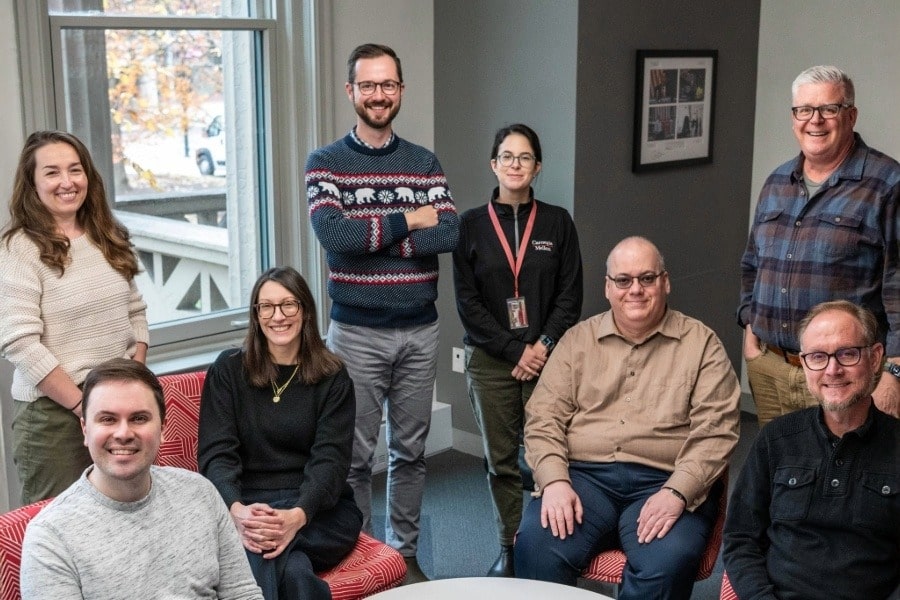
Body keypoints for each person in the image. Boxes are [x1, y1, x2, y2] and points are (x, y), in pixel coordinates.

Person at [305, 43, 459, 583]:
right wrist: (407, 219)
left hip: (420, 329)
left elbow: (449, 231)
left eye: (388, 85)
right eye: (367, 85)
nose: (378, 94)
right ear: (351, 91)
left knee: (410, 454)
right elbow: (335, 237)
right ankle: (361, 554)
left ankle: (406, 554)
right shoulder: (325, 163)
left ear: (400, 91)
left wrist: (377, 233)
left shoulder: (423, 162)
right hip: (356, 334)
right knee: (352, 458)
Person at [515, 236, 741, 599]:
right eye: (623, 280)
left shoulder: (702, 344)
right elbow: (543, 419)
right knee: (537, 549)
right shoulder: (577, 341)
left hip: (665, 481)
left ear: (664, 282)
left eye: (647, 278)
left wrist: (677, 492)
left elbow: (717, 432)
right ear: (608, 287)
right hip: (584, 479)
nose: (635, 289)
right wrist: (554, 481)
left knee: (665, 563)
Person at [452, 123, 583, 577]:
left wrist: (542, 346)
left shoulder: (557, 222)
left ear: (537, 167)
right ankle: (510, 545)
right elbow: (467, 304)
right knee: (502, 460)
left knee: (549, 453)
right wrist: (514, 350)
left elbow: (570, 294)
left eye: (524, 158)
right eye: (506, 157)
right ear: (494, 164)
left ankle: (546, 543)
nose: (515, 165)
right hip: (492, 362)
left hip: (548, 358)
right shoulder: (469, 225)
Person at [19, 358, 263, 600]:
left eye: (139, 418)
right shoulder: (50, 537)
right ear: (85, 430)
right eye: (107, 419)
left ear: (163, 428)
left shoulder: (200, 492)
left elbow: (242, 594)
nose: (123, 433)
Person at [738, 65, 899, 426]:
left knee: (845, 478)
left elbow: (898, 284)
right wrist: (751, 331)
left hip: (843, 376)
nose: (816, 120)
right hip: (771, 370)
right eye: (804, 110)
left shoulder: (887, 184)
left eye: (829, 109)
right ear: (794, 117)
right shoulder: (777, 181)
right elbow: (752, 264)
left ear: (851, 115)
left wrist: (895, 373)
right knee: (783, 476)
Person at [0, 130, 149, 505]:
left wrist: (134, 384)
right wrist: (86, 406)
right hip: (55, 419)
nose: (67, 182)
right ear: (32, 185)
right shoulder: (19, 248)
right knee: (54, 530)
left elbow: (136, 312)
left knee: (122, 519)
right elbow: (19, 342)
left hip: (117, 409)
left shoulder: (108, 235)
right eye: (51, 172)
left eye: (75, 170)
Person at [199, 267, 363, 600]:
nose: (278, 316)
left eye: (289, 305)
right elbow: (216, 453)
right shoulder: (228, 369)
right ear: (256, 316)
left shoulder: (333, 376)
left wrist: (296, 516)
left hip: (317, 510)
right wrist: (238, 512)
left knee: (259, 550)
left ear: (305, 312)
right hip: (245, 504)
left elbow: (330, 462)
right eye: (267, 307)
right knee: (294, 571)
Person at [724, 301, 900, 599]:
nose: (832, 370)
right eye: (818, 356)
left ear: (875, 358)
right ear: (805, 364)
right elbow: (741, 539)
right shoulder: (775, 438)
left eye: (847, 353)